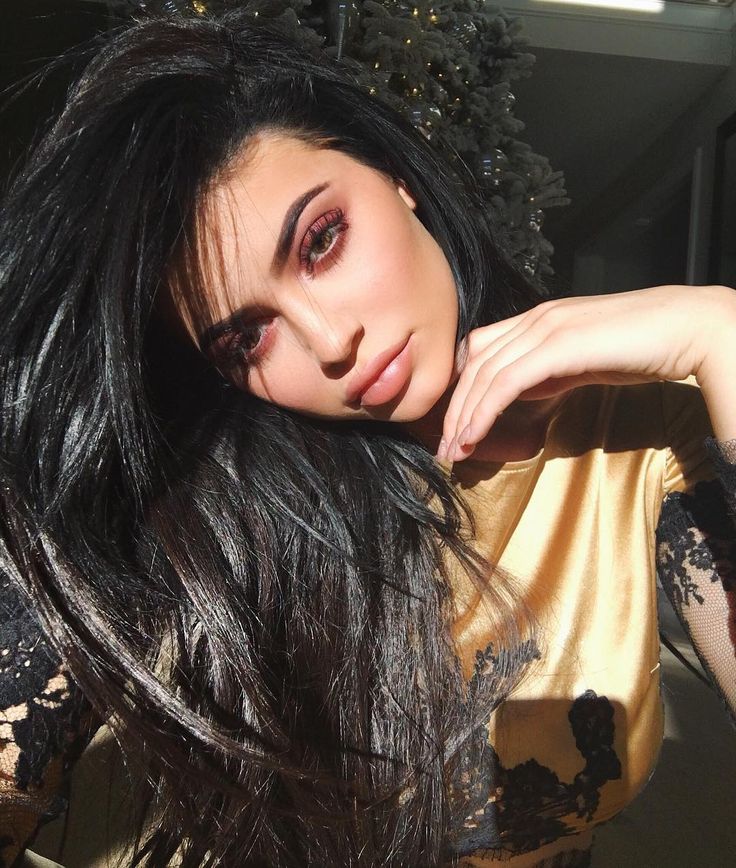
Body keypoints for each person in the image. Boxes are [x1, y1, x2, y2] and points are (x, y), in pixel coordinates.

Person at [0, 9, 734, 868]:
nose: (329, 341)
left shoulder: (640, 427)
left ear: (396, 176)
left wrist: (722, 333)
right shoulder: (178, 516)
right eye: (247, 337)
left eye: (321, 240)